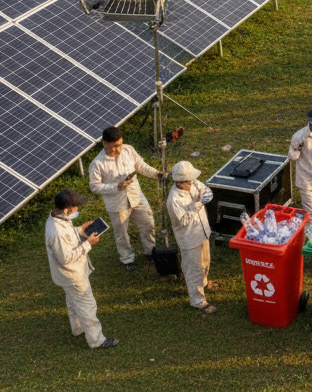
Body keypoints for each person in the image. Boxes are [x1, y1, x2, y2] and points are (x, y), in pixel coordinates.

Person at [45, 189, 118, 349]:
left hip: (67, 276)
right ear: (67, 209)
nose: (77, 209)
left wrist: (80, 230)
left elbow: (68, 236)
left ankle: (78, 328)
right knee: (87, 306)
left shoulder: (56, 216)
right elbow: (65, 258)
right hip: (72, 275)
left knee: (73, 301)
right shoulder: (56, 231)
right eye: (75, 207)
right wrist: (88, 244)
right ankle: (97, 340)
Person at [88, 126, 161, 271]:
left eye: (119, 145)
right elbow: (94, 186)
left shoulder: (128, 150)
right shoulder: (97, 163)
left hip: (136, 195)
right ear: (105, 143)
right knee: (121, 233)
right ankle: (127, 259)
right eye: (114, 146)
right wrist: (116, 187)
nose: (118, 149)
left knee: (148, 223)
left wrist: (157, 174)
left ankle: (150, 250)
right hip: (117, 203)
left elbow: (141, 166)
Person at [167, 161, 216, 314]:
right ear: (179, 182)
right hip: (189, 238)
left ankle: (203, 283)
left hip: (202, 231)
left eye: (191, 180)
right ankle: (198, 301)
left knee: (205, 261)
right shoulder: (174, 200)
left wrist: (200, 200)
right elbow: (183, 221)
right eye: (187, 182)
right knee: (193, 268)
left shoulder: (193, 182)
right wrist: (195, 207)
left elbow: (207, 192)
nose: (191, 183)